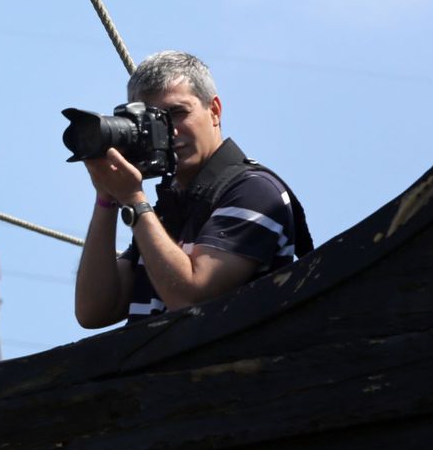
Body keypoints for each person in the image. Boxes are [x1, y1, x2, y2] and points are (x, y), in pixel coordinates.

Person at [73, 51, 311, 328]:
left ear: (214, 111)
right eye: (151, 122)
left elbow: (190, 301)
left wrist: (134, 200)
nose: (169, 131)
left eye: (177, 113)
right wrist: (107, 198)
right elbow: (94, 311)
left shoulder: (254, 190)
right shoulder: (168, 207)